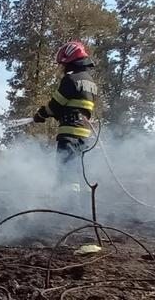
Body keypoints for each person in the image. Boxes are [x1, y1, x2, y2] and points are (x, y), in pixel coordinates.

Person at [32, 40, 98, 208]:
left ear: (70, 61)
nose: (62, 67)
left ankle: (68, 208)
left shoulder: (70, 80)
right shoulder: (91, 83)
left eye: (64, 64)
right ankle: (85, 207)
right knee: (80, 171)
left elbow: (56, 104)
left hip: (69, 133)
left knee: (66, 170)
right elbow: (79, 107)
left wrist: (41, 114)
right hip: (86, 135)